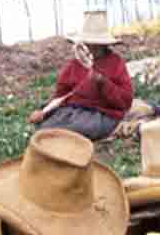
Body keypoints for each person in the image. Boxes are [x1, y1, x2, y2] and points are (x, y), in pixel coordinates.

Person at [27, 10, 133, 140]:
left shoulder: (115, 63)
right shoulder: (74, 64)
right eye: (87, 44)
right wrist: (44, 111)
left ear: (104, 45)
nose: (90, 48)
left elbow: (125, 102)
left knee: (73, 131)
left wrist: (103, 82)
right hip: (72, 111)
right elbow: (61, 95)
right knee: (43, 131)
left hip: (100, 114)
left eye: (95, 44)